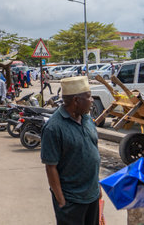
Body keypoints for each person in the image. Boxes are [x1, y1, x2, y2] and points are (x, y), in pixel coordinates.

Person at [41, 76, 100, 225]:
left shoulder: (87, 119)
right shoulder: (54, 127)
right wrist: (61, 200)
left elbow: (93, 151)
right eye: (88, 96)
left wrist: (97, 186)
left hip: (92, 196)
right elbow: (50, 167)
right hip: (71, 201)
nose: (92, 100)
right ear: (76, 100)